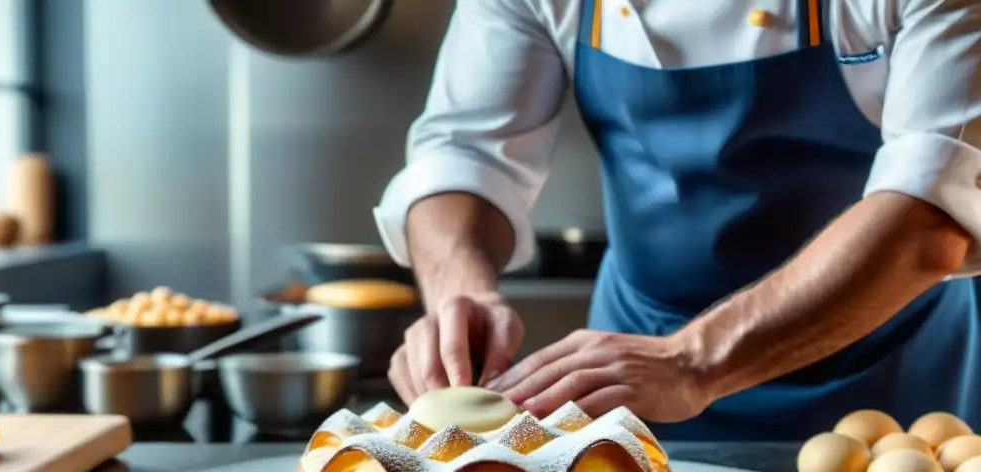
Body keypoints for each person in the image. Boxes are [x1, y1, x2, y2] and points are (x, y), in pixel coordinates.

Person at [374, 0, 981, 441]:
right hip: (628, 376)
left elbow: (929, 211)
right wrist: (459, 291)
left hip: (884, 373)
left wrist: (692, 362)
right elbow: (466, 153)